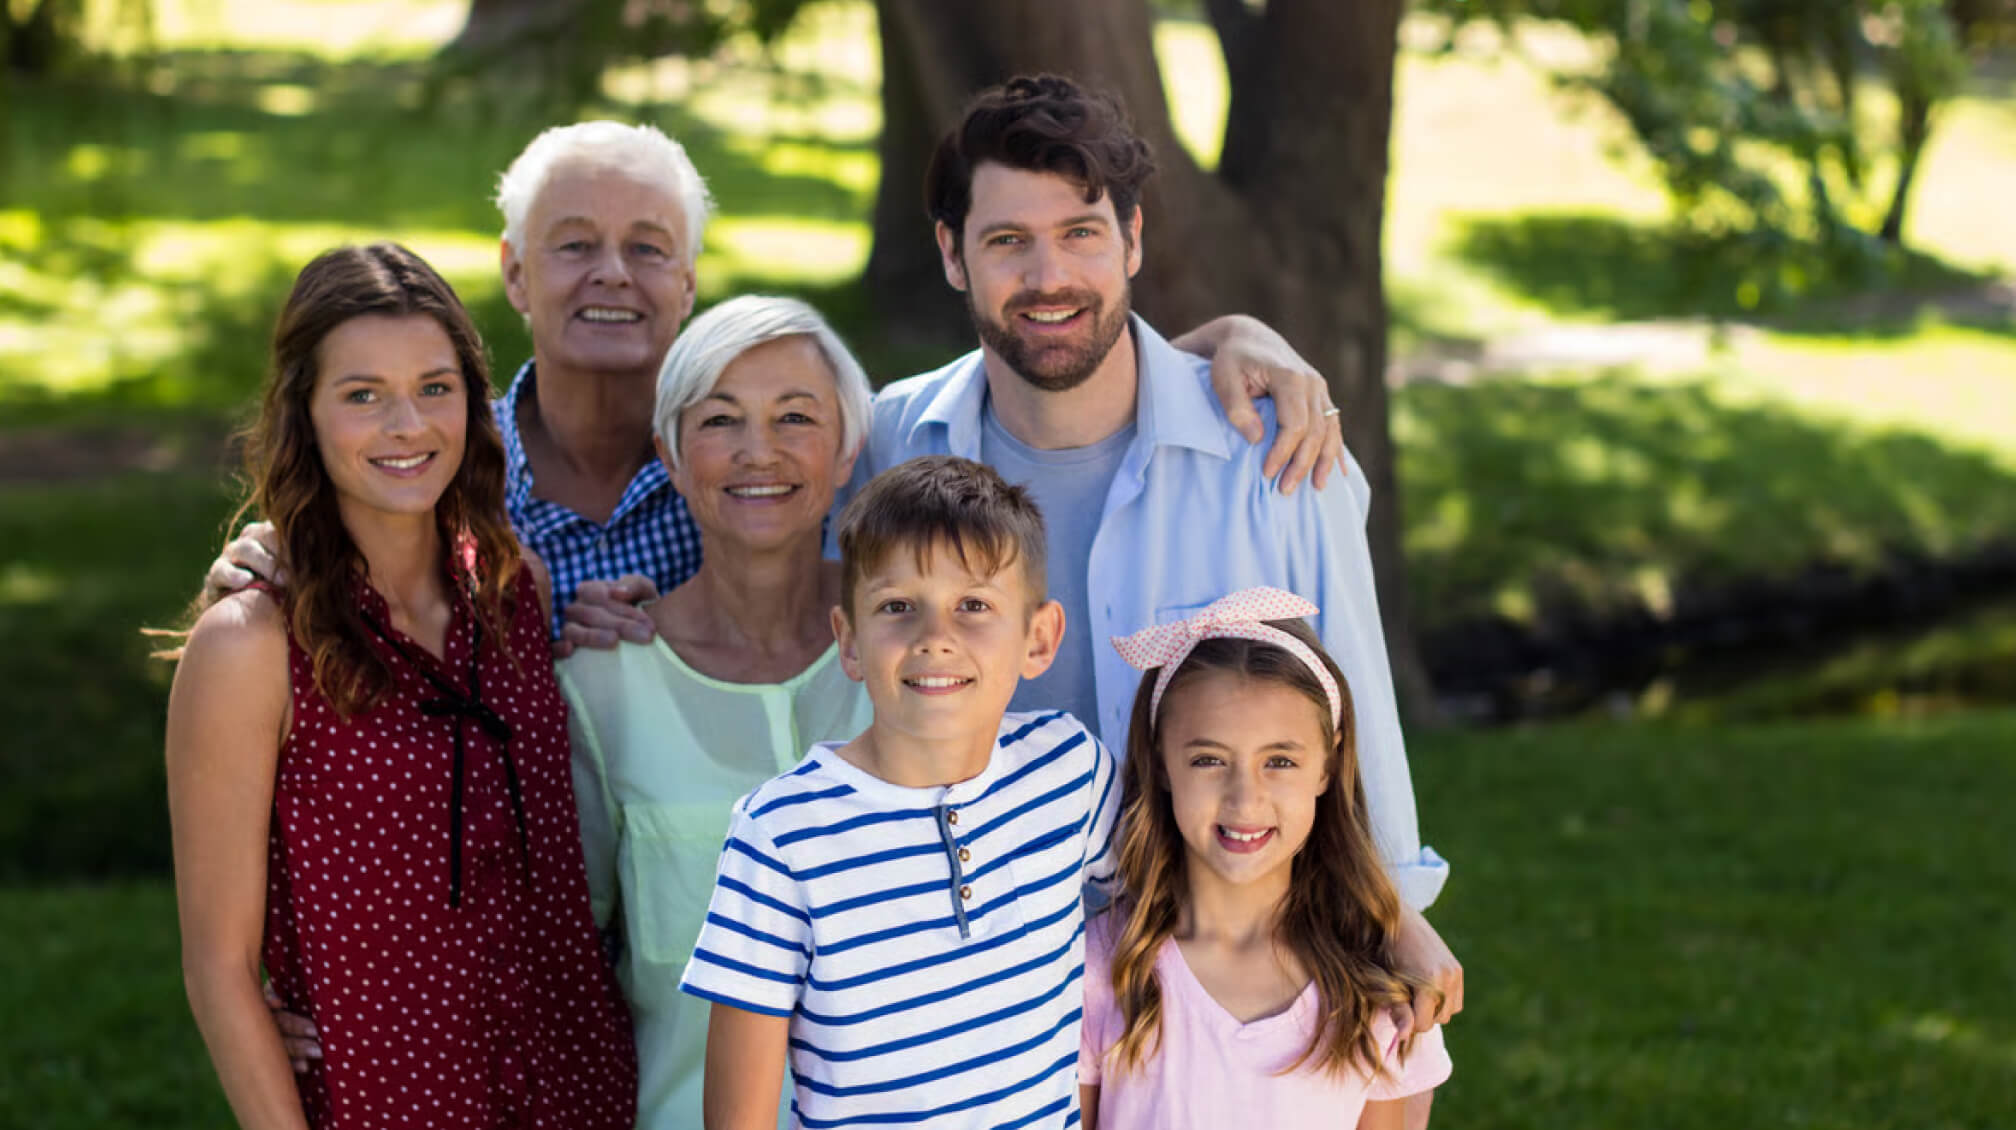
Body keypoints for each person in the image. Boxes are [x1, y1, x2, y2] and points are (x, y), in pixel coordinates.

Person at [848, 76, 1465, 1049]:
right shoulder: (895, 435)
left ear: (1133, 239)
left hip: (1224, 976)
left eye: (1082, 233)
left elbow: (1357, 706)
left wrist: (1393, 911)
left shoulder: (1276, 452)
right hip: (972, 970)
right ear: (952, 256)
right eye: (1008, 240)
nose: (1049, 275)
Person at [208, 122, 1349, 643]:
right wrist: (273, 551)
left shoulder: (784, 469)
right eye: (572, 245)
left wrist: (1224, 340)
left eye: (649, 246)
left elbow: (1049, 361)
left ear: (692, 279)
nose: (614, 274)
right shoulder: (443, 473)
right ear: (512, 269)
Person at [161, 242, 635, 1129]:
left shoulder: (514, 593)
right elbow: (219, 971)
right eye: (362, 395)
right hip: (385, 1094)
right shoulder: (251, 646)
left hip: (577, 1086)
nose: (407, 425)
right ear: (304, 412)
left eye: (435, 387)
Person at [682, 455, 1118, 1130]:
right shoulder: (781, 836)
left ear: (1039, 639)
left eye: (973, 605)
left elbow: (1180, 920)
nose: (935, 638)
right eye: (897, 608)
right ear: (849, 642)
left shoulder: (1071, 771)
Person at [559, 295, 876, 1129]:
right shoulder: (601, 684)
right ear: (668, 453)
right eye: (721, 421)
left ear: (846, 451)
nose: (757, 452)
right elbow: (568, 959)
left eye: (796, 417)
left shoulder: (917, 657)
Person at [1079, 588, 1450, 1129]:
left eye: (1279, 760)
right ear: (1160, 762)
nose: (1244, 799)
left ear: (1327, 764)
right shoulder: (1103, 969)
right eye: (1208, 760)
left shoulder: (1380, 987)